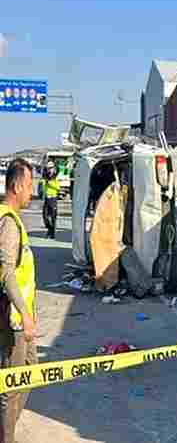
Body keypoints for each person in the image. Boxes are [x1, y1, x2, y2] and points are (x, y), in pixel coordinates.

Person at [0, 159, 38, 442]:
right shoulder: (9, 223)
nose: (32, 192)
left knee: (30, 375)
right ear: (16, 185)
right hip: (14, 320)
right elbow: (7, 274)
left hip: (20, 319)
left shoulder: (11, 219)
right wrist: (24, 313)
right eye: (29, 185)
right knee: (11, 389)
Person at [41, 162, 60, 239]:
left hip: (53, 198)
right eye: (48, 168)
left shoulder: (56, 177)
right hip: (47, 198)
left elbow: (58, 187)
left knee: (53, 216)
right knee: (45, 216)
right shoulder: (46, 176)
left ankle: (51, 233)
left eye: (51, 168)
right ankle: (49, 229)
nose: (50, 170)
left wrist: (50, 184)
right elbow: (43, 185)